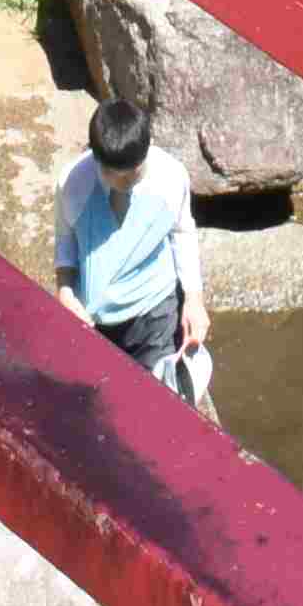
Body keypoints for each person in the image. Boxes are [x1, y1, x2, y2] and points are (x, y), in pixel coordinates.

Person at [46, 80, 212, 404]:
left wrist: (193, 298)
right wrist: (65, 291)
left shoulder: (171, 176)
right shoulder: (72, 184)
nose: (129, 183)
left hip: (154, 310)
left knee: (156, 404)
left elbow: (182, 232)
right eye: (118, 176)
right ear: (97, 160)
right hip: (94, 317)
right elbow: (65, 242)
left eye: (136, 172)